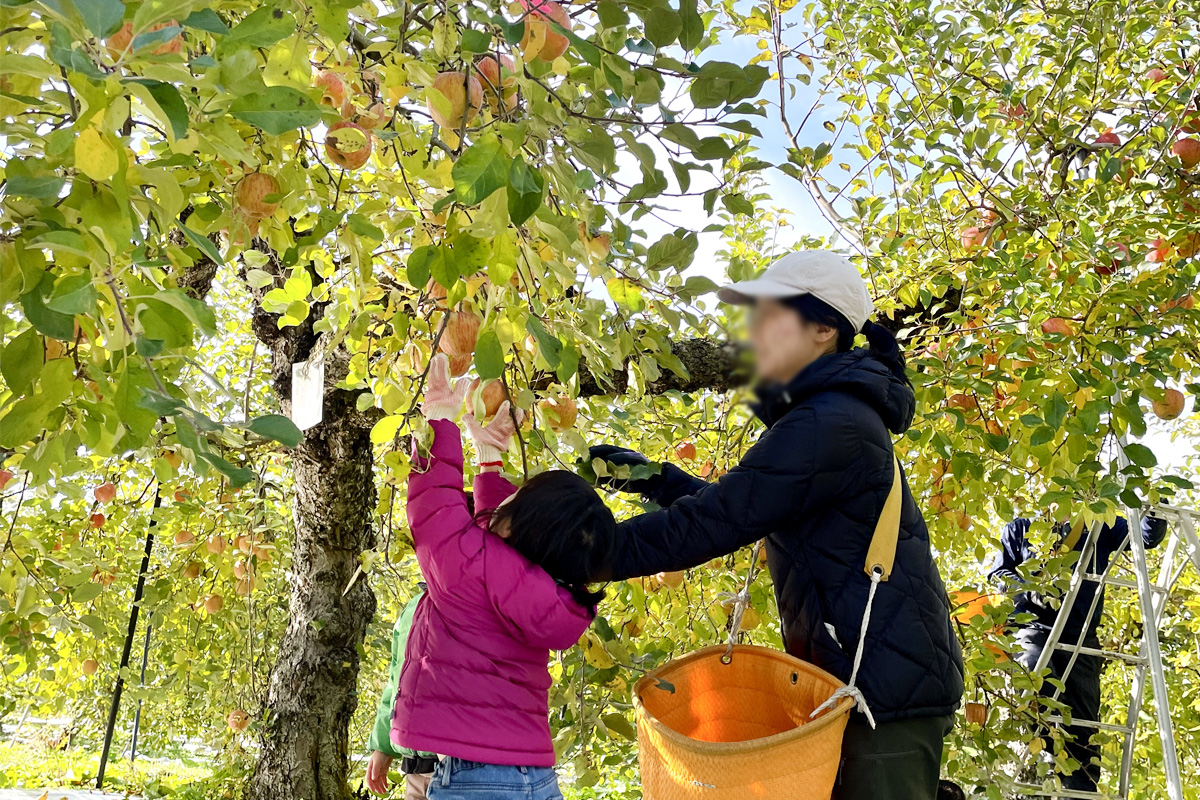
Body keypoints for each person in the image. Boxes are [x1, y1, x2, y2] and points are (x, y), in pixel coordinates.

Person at [589, 250, 964, 800]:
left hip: (884, 698)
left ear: (822, 327)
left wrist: (582, 552)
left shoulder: (831, 421)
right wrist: (653, 478)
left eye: (769, 314)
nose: (752, 330)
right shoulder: (827, 416)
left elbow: (719, 521)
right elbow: (744, 506)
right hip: (866, 687)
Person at [393, 354, 615, 799]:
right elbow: (492, 543)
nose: (507, 499)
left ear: (517, 524)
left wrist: (439, 422)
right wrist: (489, 462)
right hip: (534, 775)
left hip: (476, 779)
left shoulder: (474, 570)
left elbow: (435, 511)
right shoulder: (548, 592)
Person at [988, 512, 1168, 791]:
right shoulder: (1021, 529)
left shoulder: (1100, 524)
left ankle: (1081, 789)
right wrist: (1028, 590)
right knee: (1035, 696)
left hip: (1082, 639)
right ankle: (1044, 770)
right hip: (1034, 632)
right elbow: (998, 573)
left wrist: (1153, 510)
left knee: (1084, 729)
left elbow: (1143, 537)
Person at [365, 589, 437, 799]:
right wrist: (383, 747)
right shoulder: (413, 607)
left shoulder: (468, 599)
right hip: (414, 770)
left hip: (455, 770)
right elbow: (395, 684)